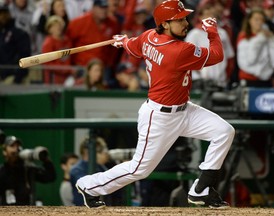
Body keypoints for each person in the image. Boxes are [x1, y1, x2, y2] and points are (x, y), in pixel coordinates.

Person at [75, 0, 235, 209]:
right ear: (165, 24)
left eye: (185, 18)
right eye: (179, 20)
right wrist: (212, 32)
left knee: (224, 131)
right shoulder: (178, 50)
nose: (185, 23)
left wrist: (123, 42)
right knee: (139, 169)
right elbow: (217, 55)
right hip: (160, 117)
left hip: (184, 110)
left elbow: (134, 46)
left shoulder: (149, 35)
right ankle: (89, 186)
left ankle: (201, 190)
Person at [0, 135, 56, 205]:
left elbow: (50, 176)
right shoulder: (2, 171)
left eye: (17, 146)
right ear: (4, 151)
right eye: (12, 146)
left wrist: (46, 160)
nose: (16, 149)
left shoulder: (27, 169)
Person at [236, 7, 274, 87]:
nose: (259, 22)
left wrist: (273, 40)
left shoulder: (269, 36)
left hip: (266, 80)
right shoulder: (243, 37)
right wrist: (260, 39)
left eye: (261, 20)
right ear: (249, 21)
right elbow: (249, 61)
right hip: (249, 80)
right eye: (256, 19)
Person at [70, 136, 120, 206]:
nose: (105, 155)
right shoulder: (77, 169)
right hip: (83, 210)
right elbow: (86, 187)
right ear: (88, 152)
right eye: (101, 152)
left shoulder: (101, 167)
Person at [0, 3, 31, 84]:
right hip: (3, 77)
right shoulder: (2, 34)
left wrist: (18, 78)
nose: (2, 16)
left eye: (4, 13)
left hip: (16, 78)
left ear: (9, 14)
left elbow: (25, 55)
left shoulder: (19, 33)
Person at [42, 15, 73, 84]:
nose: (58, 28)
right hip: (53, 79)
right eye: (55, 26)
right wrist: (66, 69)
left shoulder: (67, 41)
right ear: (49, 29)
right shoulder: (48, 43)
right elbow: (48, 64)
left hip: (67, 77)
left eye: (59, 25)